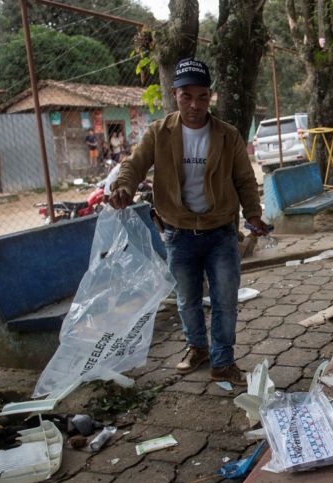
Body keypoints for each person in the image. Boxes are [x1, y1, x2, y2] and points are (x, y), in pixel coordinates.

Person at [109, 57, 269, 386]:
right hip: (178, 233)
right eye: (187, 96)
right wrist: (124, 187)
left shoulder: (227, 135)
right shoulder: (159, 133)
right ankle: (197, 348)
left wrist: (253, 214)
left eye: (202, 97)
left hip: (221, 233)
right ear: (175, 95)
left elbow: (244, 179)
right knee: (187, 300)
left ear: (210, 97)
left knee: (226, 300)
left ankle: (223, 361)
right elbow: (134, 165)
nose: (195, 105)